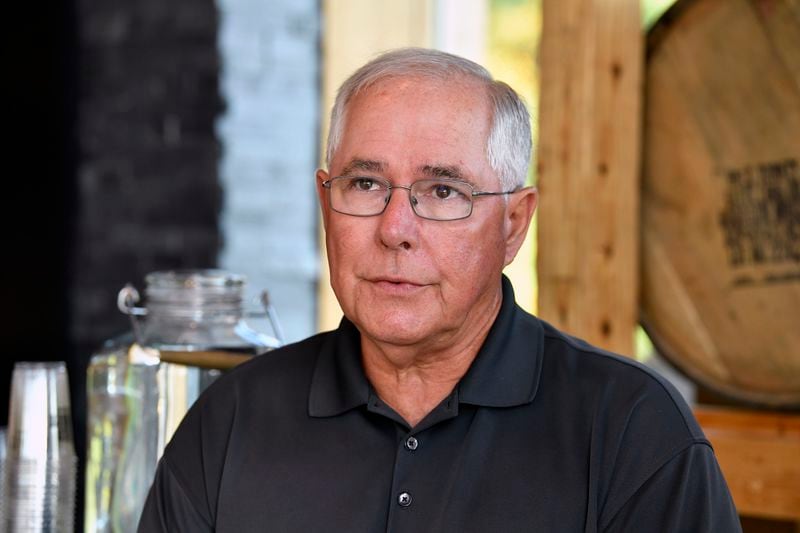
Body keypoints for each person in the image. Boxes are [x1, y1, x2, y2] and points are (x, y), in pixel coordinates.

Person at [138, 48, 741, 532]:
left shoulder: (632, 431)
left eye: (444, 192)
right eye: (366, 183)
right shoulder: (231, 421)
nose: (395, 229)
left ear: (513, 224)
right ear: (325, 201)